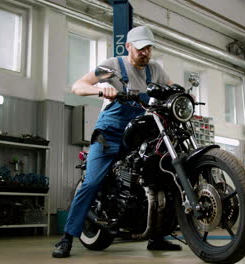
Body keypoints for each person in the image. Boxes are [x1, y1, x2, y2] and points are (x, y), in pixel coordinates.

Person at [52, 25, 181, 258]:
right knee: (91, 183)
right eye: (141, 48)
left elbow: (172, 90)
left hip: (140, 135)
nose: (145, 53)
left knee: (158, 177)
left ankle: (157, 236)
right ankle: (67, 238)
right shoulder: (113, 66)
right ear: (128, 46)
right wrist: (101, 89)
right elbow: (78, 86)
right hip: (109, 134)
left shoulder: (155, 70)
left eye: (149, 48)